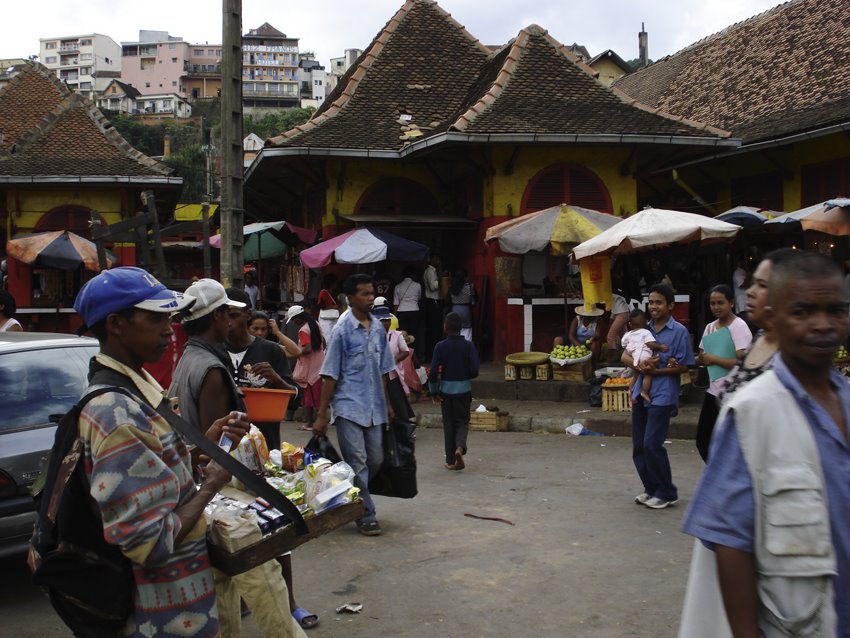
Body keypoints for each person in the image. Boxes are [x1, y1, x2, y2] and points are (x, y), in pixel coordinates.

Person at [71, 266, 250, 636]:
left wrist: (194, 450)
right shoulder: (115, 412)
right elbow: (148, 543)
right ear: (117, 324)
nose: (169, 329)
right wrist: (209, 488)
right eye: (155, 318)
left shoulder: (135, 389)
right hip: (160, 617)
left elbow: (150, 479)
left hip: (182, 605)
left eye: (169, 317)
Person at [682, 251, 850, 637]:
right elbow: (729, 541)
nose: (822, 325)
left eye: (836, 310)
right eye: (804, 311)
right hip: (794, 621)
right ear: (780, 316)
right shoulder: (753, 411)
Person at [169, 279, 307, 638]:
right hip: (224, 494)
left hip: (204, 489)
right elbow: (219, 450)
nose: (232, 322)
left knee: (225, 585)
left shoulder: (189, 357)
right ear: (217, 317)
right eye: (227, 315)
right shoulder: (211, 369)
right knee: (265, 580)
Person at [678, 248, 795, 638]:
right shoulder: (759, 340)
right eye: (751, 285)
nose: (751, 294)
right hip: (731, 474)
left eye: (762, 286)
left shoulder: (792, 359)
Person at [314, 273, 395, 537]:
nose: (370, 298)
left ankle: (348, 498)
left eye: (372, 293)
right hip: (348, 406)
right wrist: (322, 414)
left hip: (375, 408)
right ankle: (366, 514)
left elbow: (384, 370)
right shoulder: (341, 331)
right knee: (358, 462)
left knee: (376, 459)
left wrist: (390, 404)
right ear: (350, 298)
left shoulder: (379, 329)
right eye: (365, 294)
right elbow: (329, 375)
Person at [621, 283, 694, 510]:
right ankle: (651, 489)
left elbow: (684, 367)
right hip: (641, 391)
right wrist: (638, 364)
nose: (653, 306)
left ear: (670, 306)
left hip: (663, 394)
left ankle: (667, 492)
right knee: (639, 445)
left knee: (652, 444)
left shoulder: (679, 332)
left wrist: (657, 371)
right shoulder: (643, 329)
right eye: (651, 302)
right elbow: (624, 355)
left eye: (659, 302)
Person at [224, 288, 300, 450]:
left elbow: (295, 398)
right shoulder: (213, 351)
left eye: (234, 315)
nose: (228, 322)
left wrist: (277, 380)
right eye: (223, 315)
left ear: (248, 314)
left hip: (265, 447)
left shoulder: (271, 351)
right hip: (225, 448)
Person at [694, 284, 752, 461]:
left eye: (721, 303)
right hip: (714, 392)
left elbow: (743, 363)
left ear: (731, 303)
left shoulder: (739, 327)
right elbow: (703, 356)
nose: (716, 307)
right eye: (712, 304)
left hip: (733, 394)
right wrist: (697, 359)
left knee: (730, 442)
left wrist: (715, 359)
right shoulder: (710, 328)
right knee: (703, 440)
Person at [428, 312, 480, 471]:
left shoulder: (440, 346)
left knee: (449, 425)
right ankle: (460, 448)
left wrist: (434, 392)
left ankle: (450, 461)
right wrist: (465, 376)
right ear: (461, 328)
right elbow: (475, 370)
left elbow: (433, 373)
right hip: (463, 391)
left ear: (445, 327)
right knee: (462, 422)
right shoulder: (469, 345)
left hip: (446, 393)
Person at [285, 304, 326, 432]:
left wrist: (296, 352)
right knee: (319, 397)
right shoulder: (315, 324)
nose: (293, 322)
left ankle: (309, 423)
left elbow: (307, 348)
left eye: (293, 319)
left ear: (298, 317)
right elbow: (323, 342)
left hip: (308, 368)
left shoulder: (303, 330)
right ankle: (321, 420)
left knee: (308, 398)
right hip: (319, 365)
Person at [621, 309, 669, 404]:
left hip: (633, 356)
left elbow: (623, 344)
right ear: (646, 322)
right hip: (644, 356)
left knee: (635, 376)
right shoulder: (646, 332)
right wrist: (660, 347)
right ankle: (644, 391)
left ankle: (630, 392)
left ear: (630, 324)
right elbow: (650, 344)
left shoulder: (628, 334)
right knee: (648, 374)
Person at [374, 304, 411, 394]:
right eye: (383, 320)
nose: (386, 323)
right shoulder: (371, 336)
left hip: (394, 374)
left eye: (388, 320)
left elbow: (405, 351)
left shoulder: (397, 335)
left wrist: (395, 359)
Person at [393, 265, 422, 357]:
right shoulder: (418, 285)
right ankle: (414, 356)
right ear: (413, 274)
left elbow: (396, 303)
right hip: (414, 310)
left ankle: (404, 355)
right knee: (414, 335)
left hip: (402, 312)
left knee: (403, 336)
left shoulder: (397, 287)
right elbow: (419, 298)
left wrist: (395, 316)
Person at [423, 254, 442, 361]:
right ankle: (432, 355)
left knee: (434, 329)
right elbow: (433, 286)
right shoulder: (430, 271)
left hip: (433, 301)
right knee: (433, 329)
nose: (438, 262)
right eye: (437, 259)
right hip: (432, 301)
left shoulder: (432, 271)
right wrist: (441, 279)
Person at [448, 268, 476, 341]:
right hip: (466, 311)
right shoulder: (469, 287)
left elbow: (447, 301)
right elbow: (474, 301)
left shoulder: (451, 288)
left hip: (455, 311)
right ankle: (466, 350)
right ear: (465, 277)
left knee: (454, 331)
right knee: (467, 333)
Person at [606, 292, 631, 364]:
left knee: (610, 337)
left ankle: (610, 360)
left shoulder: (618, 291)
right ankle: (628, 358)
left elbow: (628, 301)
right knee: (625, 338)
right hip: (622, 313)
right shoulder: (613, 291)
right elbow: (614, 305)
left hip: (622, 314)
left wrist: (634, 313)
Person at [317, 274, 340, 339]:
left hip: (332, 318)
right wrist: (333, 307)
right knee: (327, 336)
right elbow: (320, 305)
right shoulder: (323, 292)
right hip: (326, 319)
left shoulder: (332, 292)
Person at [731, 256, 750, 327]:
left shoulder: (744, 272)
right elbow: (742, 284)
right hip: (742, 305)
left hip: (748, 304)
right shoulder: (737, 273)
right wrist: (748, 275)